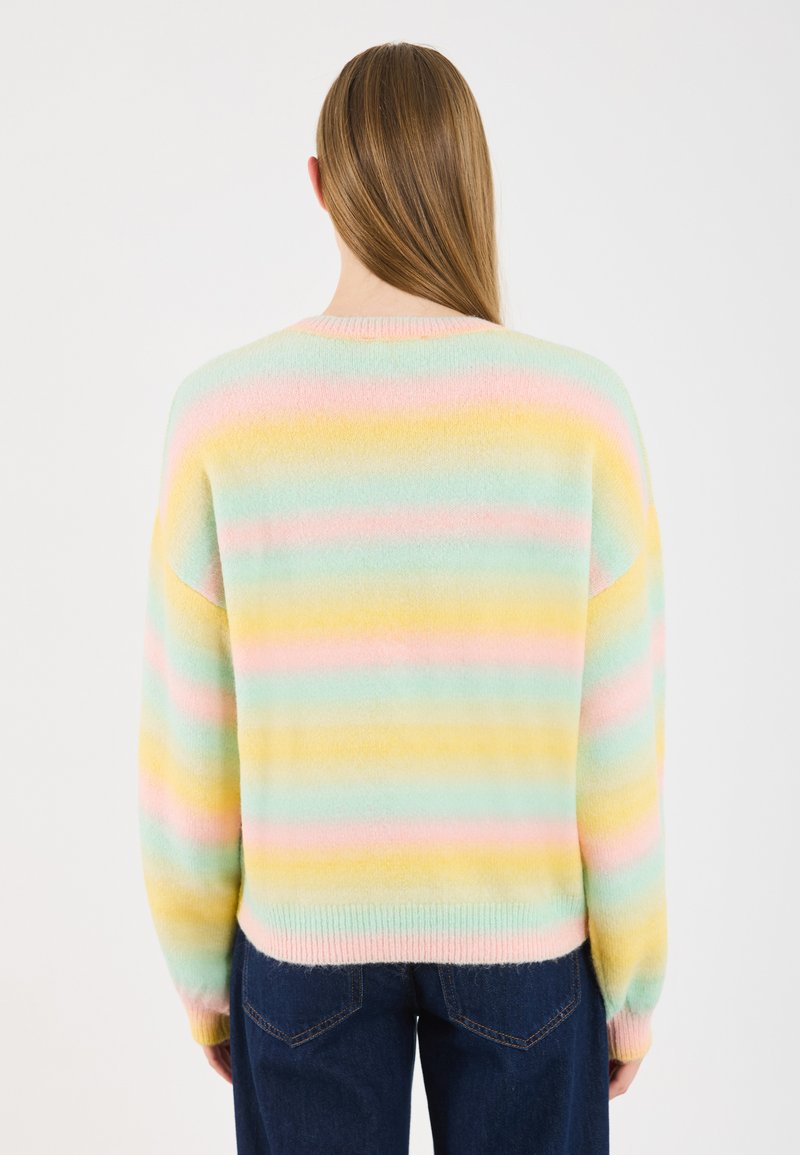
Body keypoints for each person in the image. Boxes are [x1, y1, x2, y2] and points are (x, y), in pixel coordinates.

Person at [137, 40, 667, 1155]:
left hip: (301, 939)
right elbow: (616, 741)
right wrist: (630, 979)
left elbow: (191, 736)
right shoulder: (580, 413)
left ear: (320, 183)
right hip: (526, 944)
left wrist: (201, 972)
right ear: (472, 181)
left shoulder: (221, 415)